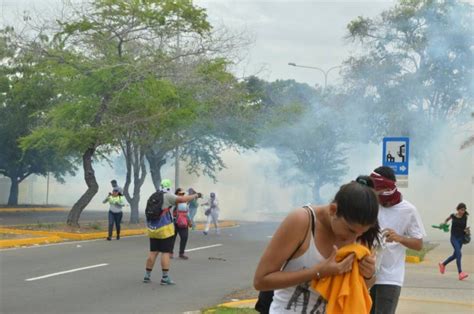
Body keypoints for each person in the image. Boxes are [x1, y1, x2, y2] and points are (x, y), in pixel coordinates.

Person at [253, 180, 380, 313]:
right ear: (333, 210)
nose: (354, 239)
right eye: (350, 230)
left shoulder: (360, 236)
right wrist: (318, 272)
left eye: (362, 232)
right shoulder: (302, 221)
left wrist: (369, 275)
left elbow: (360, 288)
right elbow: (261, 281)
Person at [369, 166, 426, 314]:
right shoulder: (371, 206)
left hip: (390, 277)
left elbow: (418, 244)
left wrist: (399, 238)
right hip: (366, 273)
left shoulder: (408, 210)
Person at [143, 179, 201, 285]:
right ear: (169, 187)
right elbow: (183, 199)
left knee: (153, 252)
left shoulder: (153, 195)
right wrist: (195, 195)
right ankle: (165, 278)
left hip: (153, 229)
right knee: (165, 253)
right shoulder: (168, 196)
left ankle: (147, 276)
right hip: (164, 230)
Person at [438, 202, 469, 280]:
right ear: (458, 209)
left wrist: (467, 231)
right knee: (459, 253)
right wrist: (444, 224)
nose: (463, 211)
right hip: (454, 238)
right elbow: (446, 220)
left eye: (464, 210)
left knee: (455, 255)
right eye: (461, 210)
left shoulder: (465, 217)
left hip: (461, 238)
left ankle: (443, 264)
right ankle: (460, 273)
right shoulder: (453, 216)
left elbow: (464, 228)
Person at [170, 188, 191, 260]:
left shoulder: (185, 203)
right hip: (173, 223)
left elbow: (187, 213)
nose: (182, 196)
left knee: (184, 237)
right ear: (176, 195)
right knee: (172, 238)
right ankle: (170, 253)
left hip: (183, 223)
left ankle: (181, 253)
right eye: (180, 194)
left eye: (183, 194)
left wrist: (189, 221)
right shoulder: (172, 202)